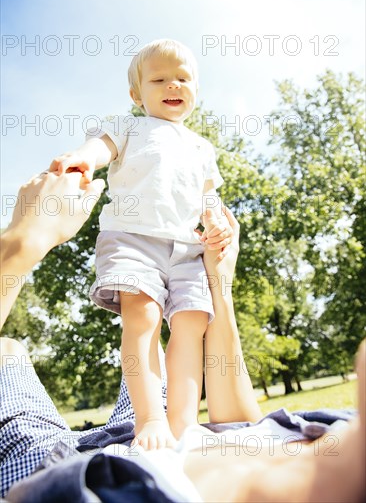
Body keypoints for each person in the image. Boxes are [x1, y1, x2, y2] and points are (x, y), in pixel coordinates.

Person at [1, 170, 365, 503]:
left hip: (58, 462)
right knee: (155, 350)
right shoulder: (335, 432)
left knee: (7, 351)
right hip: (162, 430)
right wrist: (219, 278)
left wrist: (23, 244)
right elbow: (237, 424)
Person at [47, 39, 233, 450]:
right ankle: (149, 419)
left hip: (187, 249)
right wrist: (83, 156)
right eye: (160, 79)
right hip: (133, 240)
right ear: (137, 94)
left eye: (183, 78)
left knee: (192, 324)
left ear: (195, 89)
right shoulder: (131, 126)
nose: (174, 85)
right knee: (143, 316)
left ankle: (182, 423)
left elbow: (207, 197)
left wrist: (215, 221)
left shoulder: (203, 148)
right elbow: (101, 147)